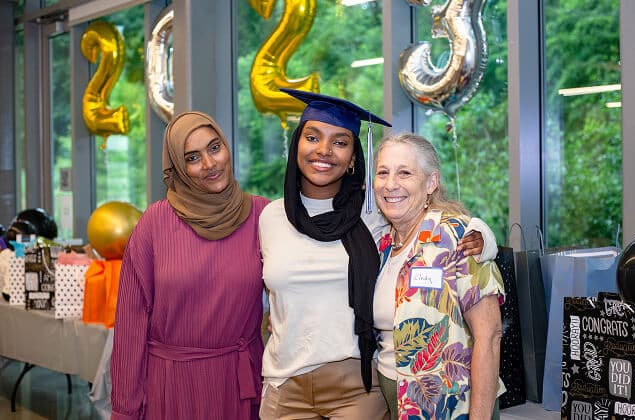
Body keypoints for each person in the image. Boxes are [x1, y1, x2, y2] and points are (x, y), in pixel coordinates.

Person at [258, 89, 498, 419]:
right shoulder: (270, 218)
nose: (324, 150)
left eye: (340, 142)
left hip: (362, 386)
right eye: (312, 137)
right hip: (287, 382)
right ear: (296, 143)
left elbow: (444, 225)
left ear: (354, 158)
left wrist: (484, 234)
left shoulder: (373, 218)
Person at [110, 111, 269, 419]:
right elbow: (130, 325)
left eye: (214, 147)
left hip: (239, 384)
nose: (210, 164)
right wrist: (125, 408)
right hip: (171, 386)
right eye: (192, 158)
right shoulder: (154, 223)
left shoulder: (263, 216)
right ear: (178, 168)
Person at [372, 132, 506, 420]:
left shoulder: (459, 237)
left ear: (431, 182)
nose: (390, 184)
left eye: (404, 173)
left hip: (450, 406)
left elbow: (490, 335)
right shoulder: (382, 244)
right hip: (393, 397)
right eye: (383, 173)